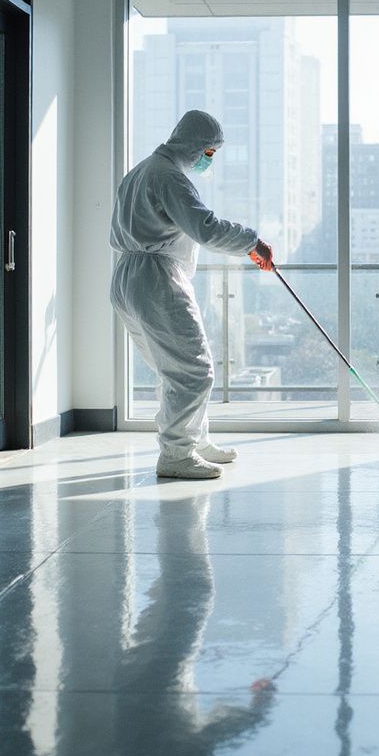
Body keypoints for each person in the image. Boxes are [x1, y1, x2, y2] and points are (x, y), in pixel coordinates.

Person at [110, 110, 273, 480]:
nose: (209, 160)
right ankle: (177, 454)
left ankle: (194, 441)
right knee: (194, 371)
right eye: (209, 152)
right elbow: (205, 227)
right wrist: (252, 242)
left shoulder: (142, 171)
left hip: (127, 277)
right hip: (156, 279)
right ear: (194, 145)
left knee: (174, 369)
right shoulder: (169, 176)